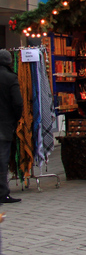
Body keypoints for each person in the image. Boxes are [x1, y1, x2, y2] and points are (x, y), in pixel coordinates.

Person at [0, 50, 23, 203]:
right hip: (4, 125)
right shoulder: (10, 78)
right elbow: (18, 103)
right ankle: (2, 192)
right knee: (2, 160)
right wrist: (15, 120)